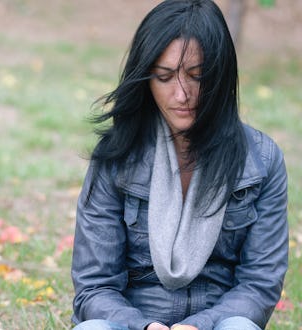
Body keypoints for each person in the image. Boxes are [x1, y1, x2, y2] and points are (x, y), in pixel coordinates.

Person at [70, 1, 289, 330]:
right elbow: (94, 288)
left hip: (217, 322)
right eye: (164, 77)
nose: (181, 94)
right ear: (146, 80)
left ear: (221, 75)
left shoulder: (262, 161)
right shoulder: (116, 157)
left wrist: (200, 325)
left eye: (197, 76)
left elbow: (259, 286)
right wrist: (143, 326)